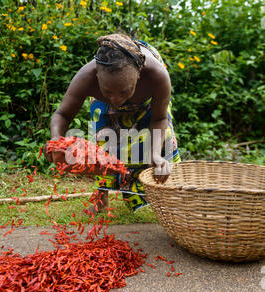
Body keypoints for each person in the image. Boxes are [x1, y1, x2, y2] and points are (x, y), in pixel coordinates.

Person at [46, 33, 180, 212]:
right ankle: (103, 194)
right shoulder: (86, 77)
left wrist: (155, 154)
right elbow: (62, 114)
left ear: (139, 75)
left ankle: (158, 192)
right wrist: (57, 142)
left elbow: (159, 118)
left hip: (147, 104)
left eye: (124, 92)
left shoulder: (157, 76)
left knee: (158, 146)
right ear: (97, 77)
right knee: (105, 144)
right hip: (103, 104)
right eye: (108, 92)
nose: (116, 100)